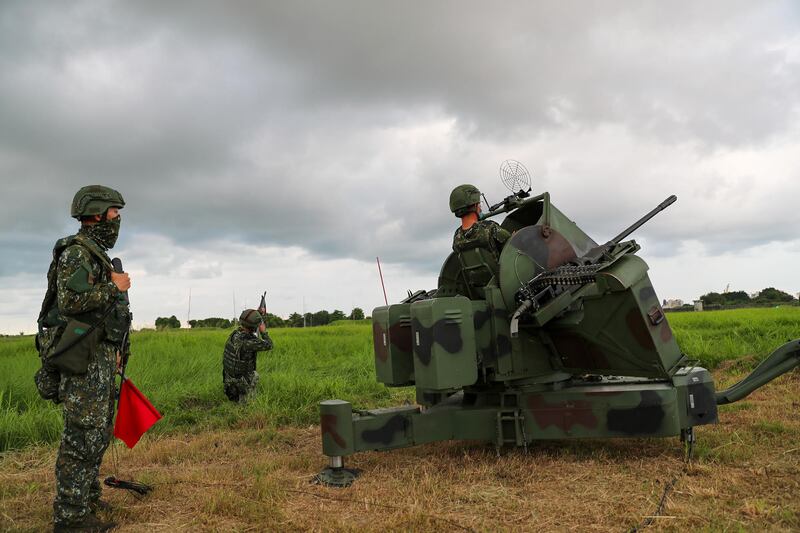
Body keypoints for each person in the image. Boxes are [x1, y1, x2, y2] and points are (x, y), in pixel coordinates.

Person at [35, 186, 130, 532]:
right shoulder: (77, 252)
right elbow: (71, 302)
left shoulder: (96, 254)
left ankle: (86, 497)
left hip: (98, 356)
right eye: (114, 213)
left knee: (99, 432)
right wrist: (114, 287)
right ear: (97, 214)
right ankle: (70, 517)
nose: (117, 220)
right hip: (83, 361)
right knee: (81, 436)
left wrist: (115, 351)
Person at [449, 184, 511, 295]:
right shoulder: (489, 228)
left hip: (479, 292)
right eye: (479, 204)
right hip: (503, 287)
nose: (480, 208)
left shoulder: (457, 237)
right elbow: (511, 246)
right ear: (475, 205)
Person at [222, 309, 273, 402]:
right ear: (254, 327)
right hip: (240, 384)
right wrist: (263, 332)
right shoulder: (249, 342)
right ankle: (247, 400)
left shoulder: (235, 334)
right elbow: (269, 345)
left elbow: (249, 319)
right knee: (255, 375)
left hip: (229, 381)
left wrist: (257, 314)